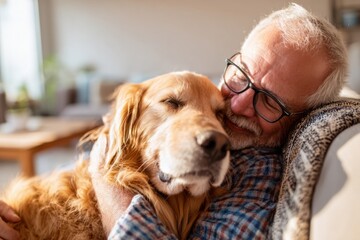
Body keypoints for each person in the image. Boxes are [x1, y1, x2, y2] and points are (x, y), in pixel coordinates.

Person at [0, 3, 347, 240]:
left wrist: (106, 182)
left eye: (269, 100)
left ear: (300, 117)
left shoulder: (260, 178)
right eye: (241, 74)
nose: (235, 105)